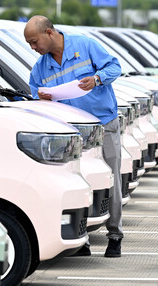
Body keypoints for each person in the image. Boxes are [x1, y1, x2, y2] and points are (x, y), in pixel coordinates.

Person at [24, 15, 123, 258]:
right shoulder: (40, 68)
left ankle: (115, 236)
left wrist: (97, 79)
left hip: (102, 125)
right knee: (79, 185)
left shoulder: (85, 46)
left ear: (49, 33)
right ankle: (82, 239)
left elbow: (114, 67)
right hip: (71, 133)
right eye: (29, 44)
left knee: (111, 180)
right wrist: (41, 98)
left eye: (34, 41)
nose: (33, 48)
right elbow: (35, 95)